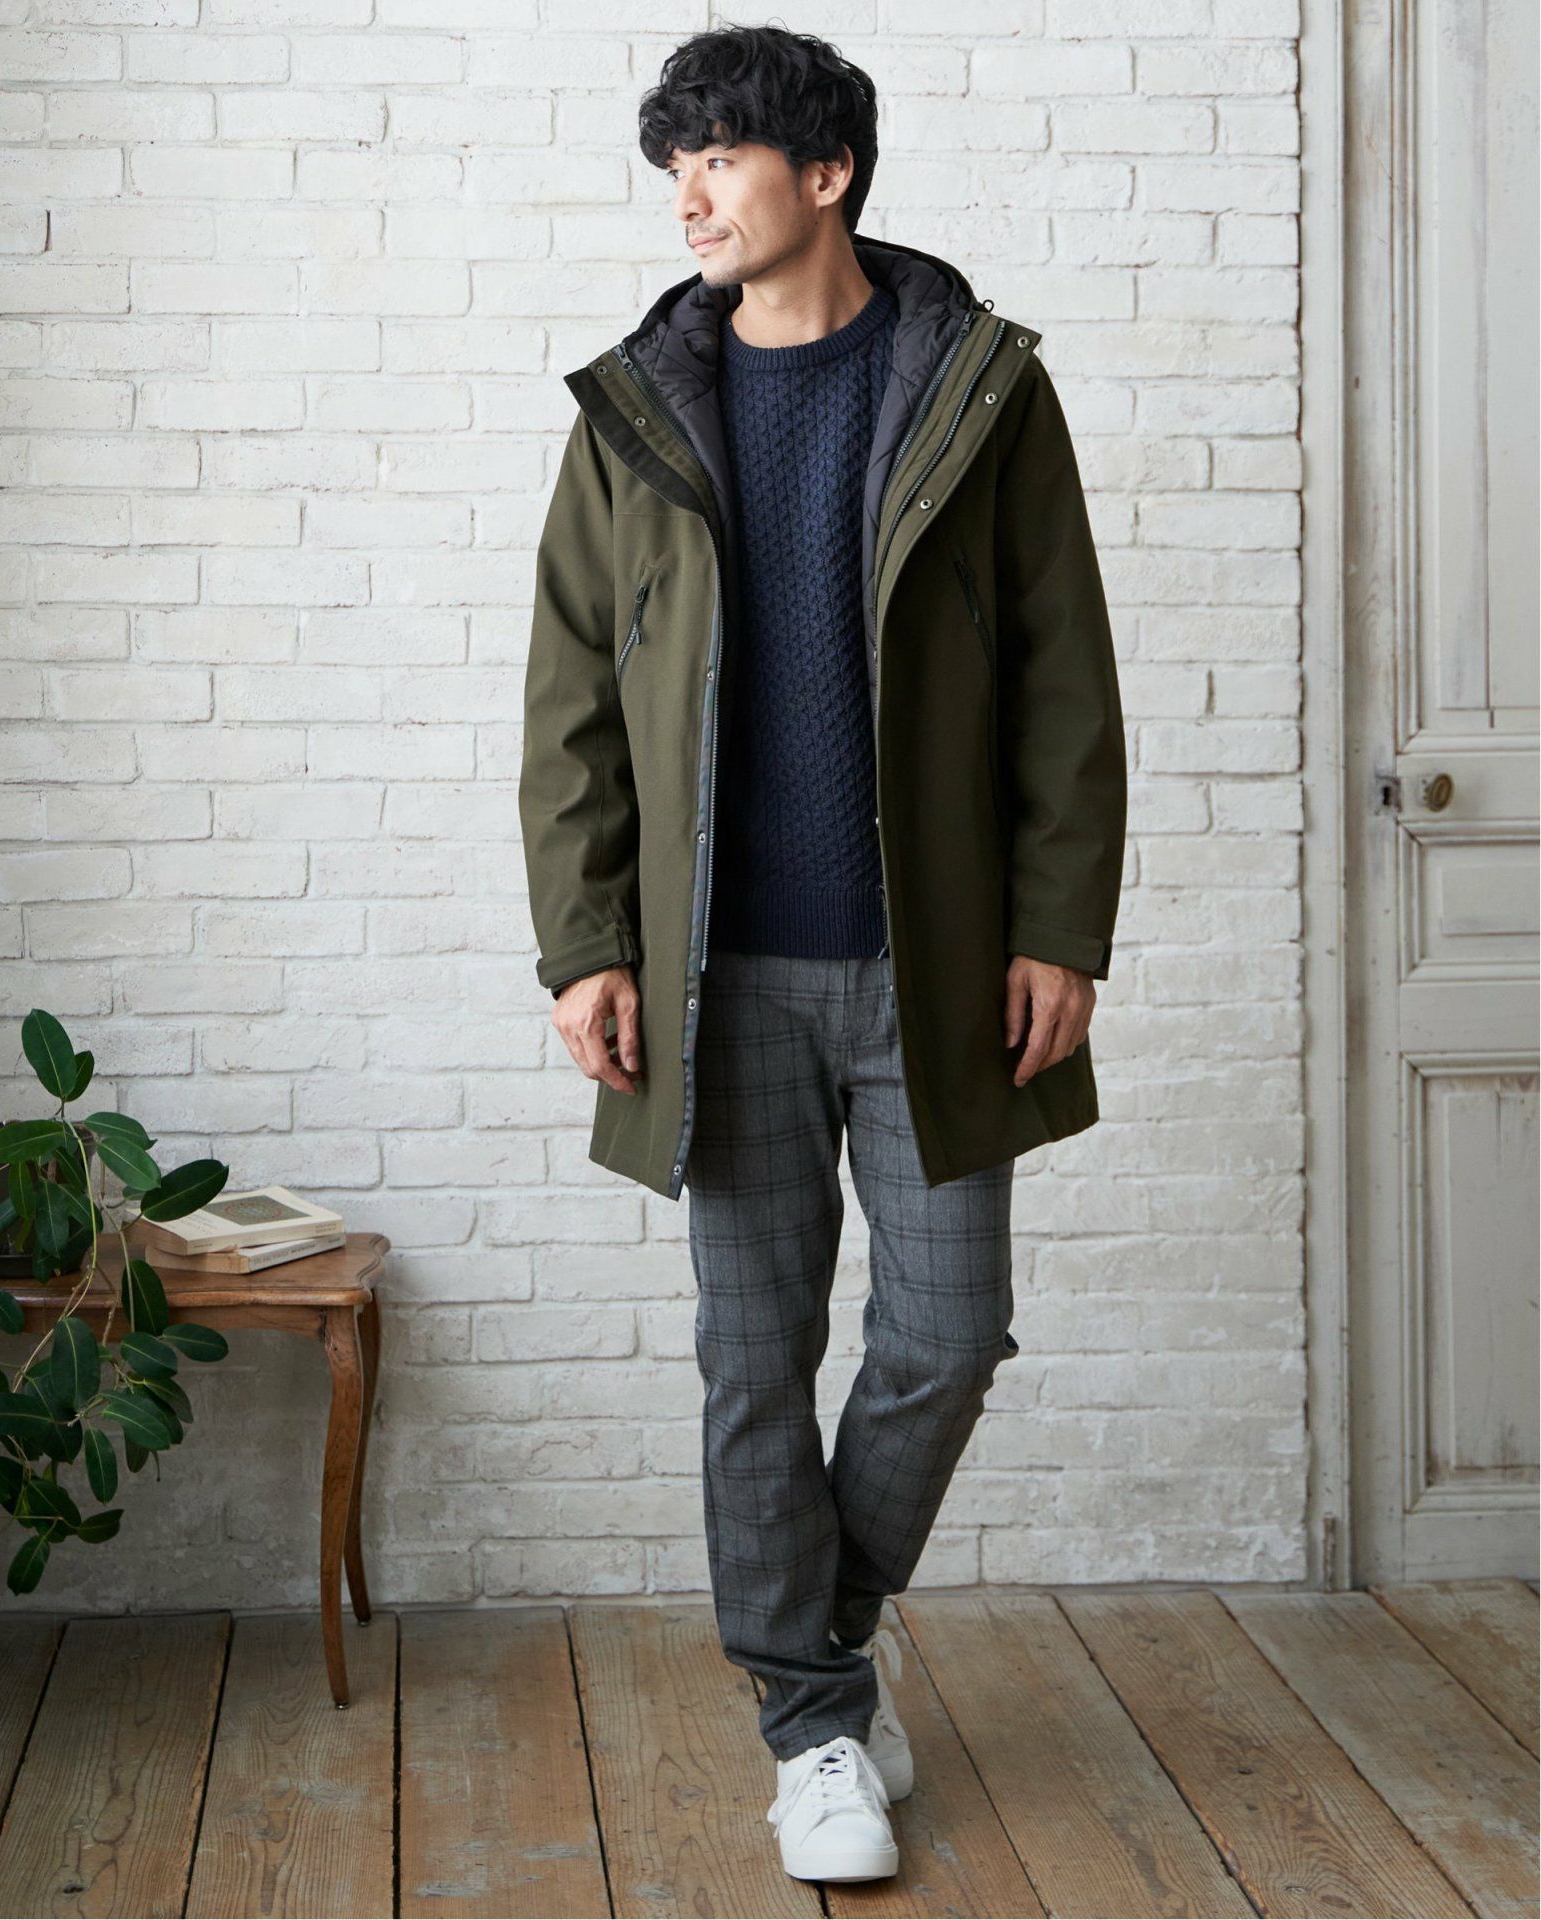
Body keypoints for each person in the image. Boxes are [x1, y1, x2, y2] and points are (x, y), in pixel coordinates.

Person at [519, 22, 1127, 1886]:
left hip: (934, 973)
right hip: (718, 983)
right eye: (675, 165)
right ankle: (813, 1727)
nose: (689, 196)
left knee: (950, 1333)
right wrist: (588, 944)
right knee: (753, 1357)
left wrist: (1058, 929)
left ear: (828, 173)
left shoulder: (979, 393)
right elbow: (571, 708)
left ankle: (819, 1644)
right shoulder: (634, 413)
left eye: (720, 157)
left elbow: (1064, 680)